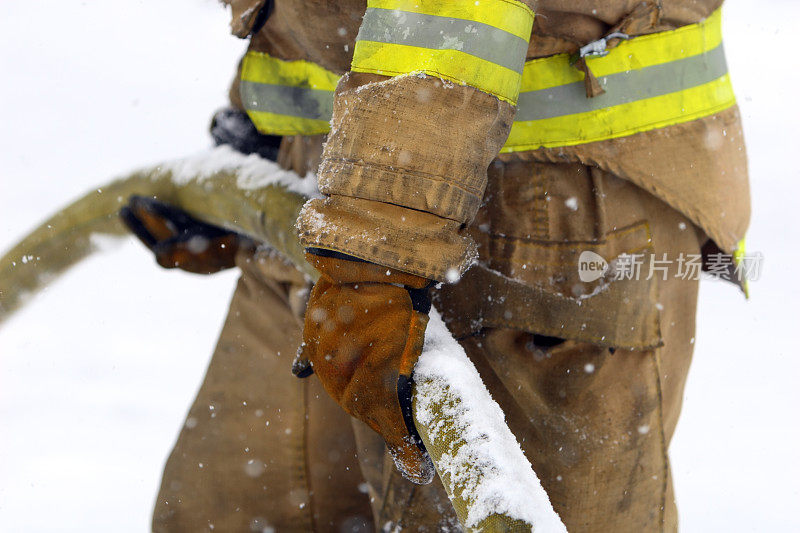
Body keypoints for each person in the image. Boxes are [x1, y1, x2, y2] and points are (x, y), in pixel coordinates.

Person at [122, 0, 750, 531]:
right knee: (233, 509)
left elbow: (446, 18)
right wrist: (263, 133)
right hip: (354, 184)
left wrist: (375, 247)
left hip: (527, 216)